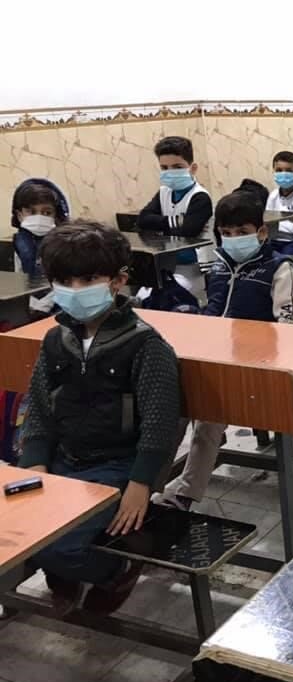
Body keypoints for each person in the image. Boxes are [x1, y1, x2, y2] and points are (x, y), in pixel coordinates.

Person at [18, 222, 180, 615]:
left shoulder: (145, 344)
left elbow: (160, 421)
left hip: (115, 466)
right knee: (21, 531)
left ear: (118, 281)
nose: (75, 290)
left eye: (88, 279)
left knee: (60, 546)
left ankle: (117, 570)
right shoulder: (56, 340)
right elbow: (39, 405)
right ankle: (63, 568)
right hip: (64, 459)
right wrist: (35, 464)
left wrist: (140, 484)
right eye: (64, 281)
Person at [154, 192, 293, 510]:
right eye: (227, 233)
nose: (234, 239)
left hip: (255, 367)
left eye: (242, 232)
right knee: (168, 409)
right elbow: (213, 311)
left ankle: (185, 495)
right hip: (212, 357)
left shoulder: (279, 269)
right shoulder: (219, 265)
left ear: (261, 232)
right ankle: (147, 488)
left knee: (209, 416)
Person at [136, 136, 215, 290]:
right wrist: (177, 221)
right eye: (164, 168)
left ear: (192, 168)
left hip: (195, 267)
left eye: (177, 167)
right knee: (143, 296)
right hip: (168, 264)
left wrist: (160, 224)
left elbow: (188, 231)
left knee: (170, 294)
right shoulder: (164, 192)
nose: (170, 172)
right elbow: (143, 220)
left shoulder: (200, 197)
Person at [10, 178, 71, 316]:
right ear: (19, 215)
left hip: (61, 305)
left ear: (56, 215)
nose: (39, 217)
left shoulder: (66, 242)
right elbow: (19, 277)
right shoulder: (20, 242)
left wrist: (45, 304)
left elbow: (69, 281)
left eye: (47, 212)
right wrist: (30, 302)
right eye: (31, 212)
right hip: (29, 305)